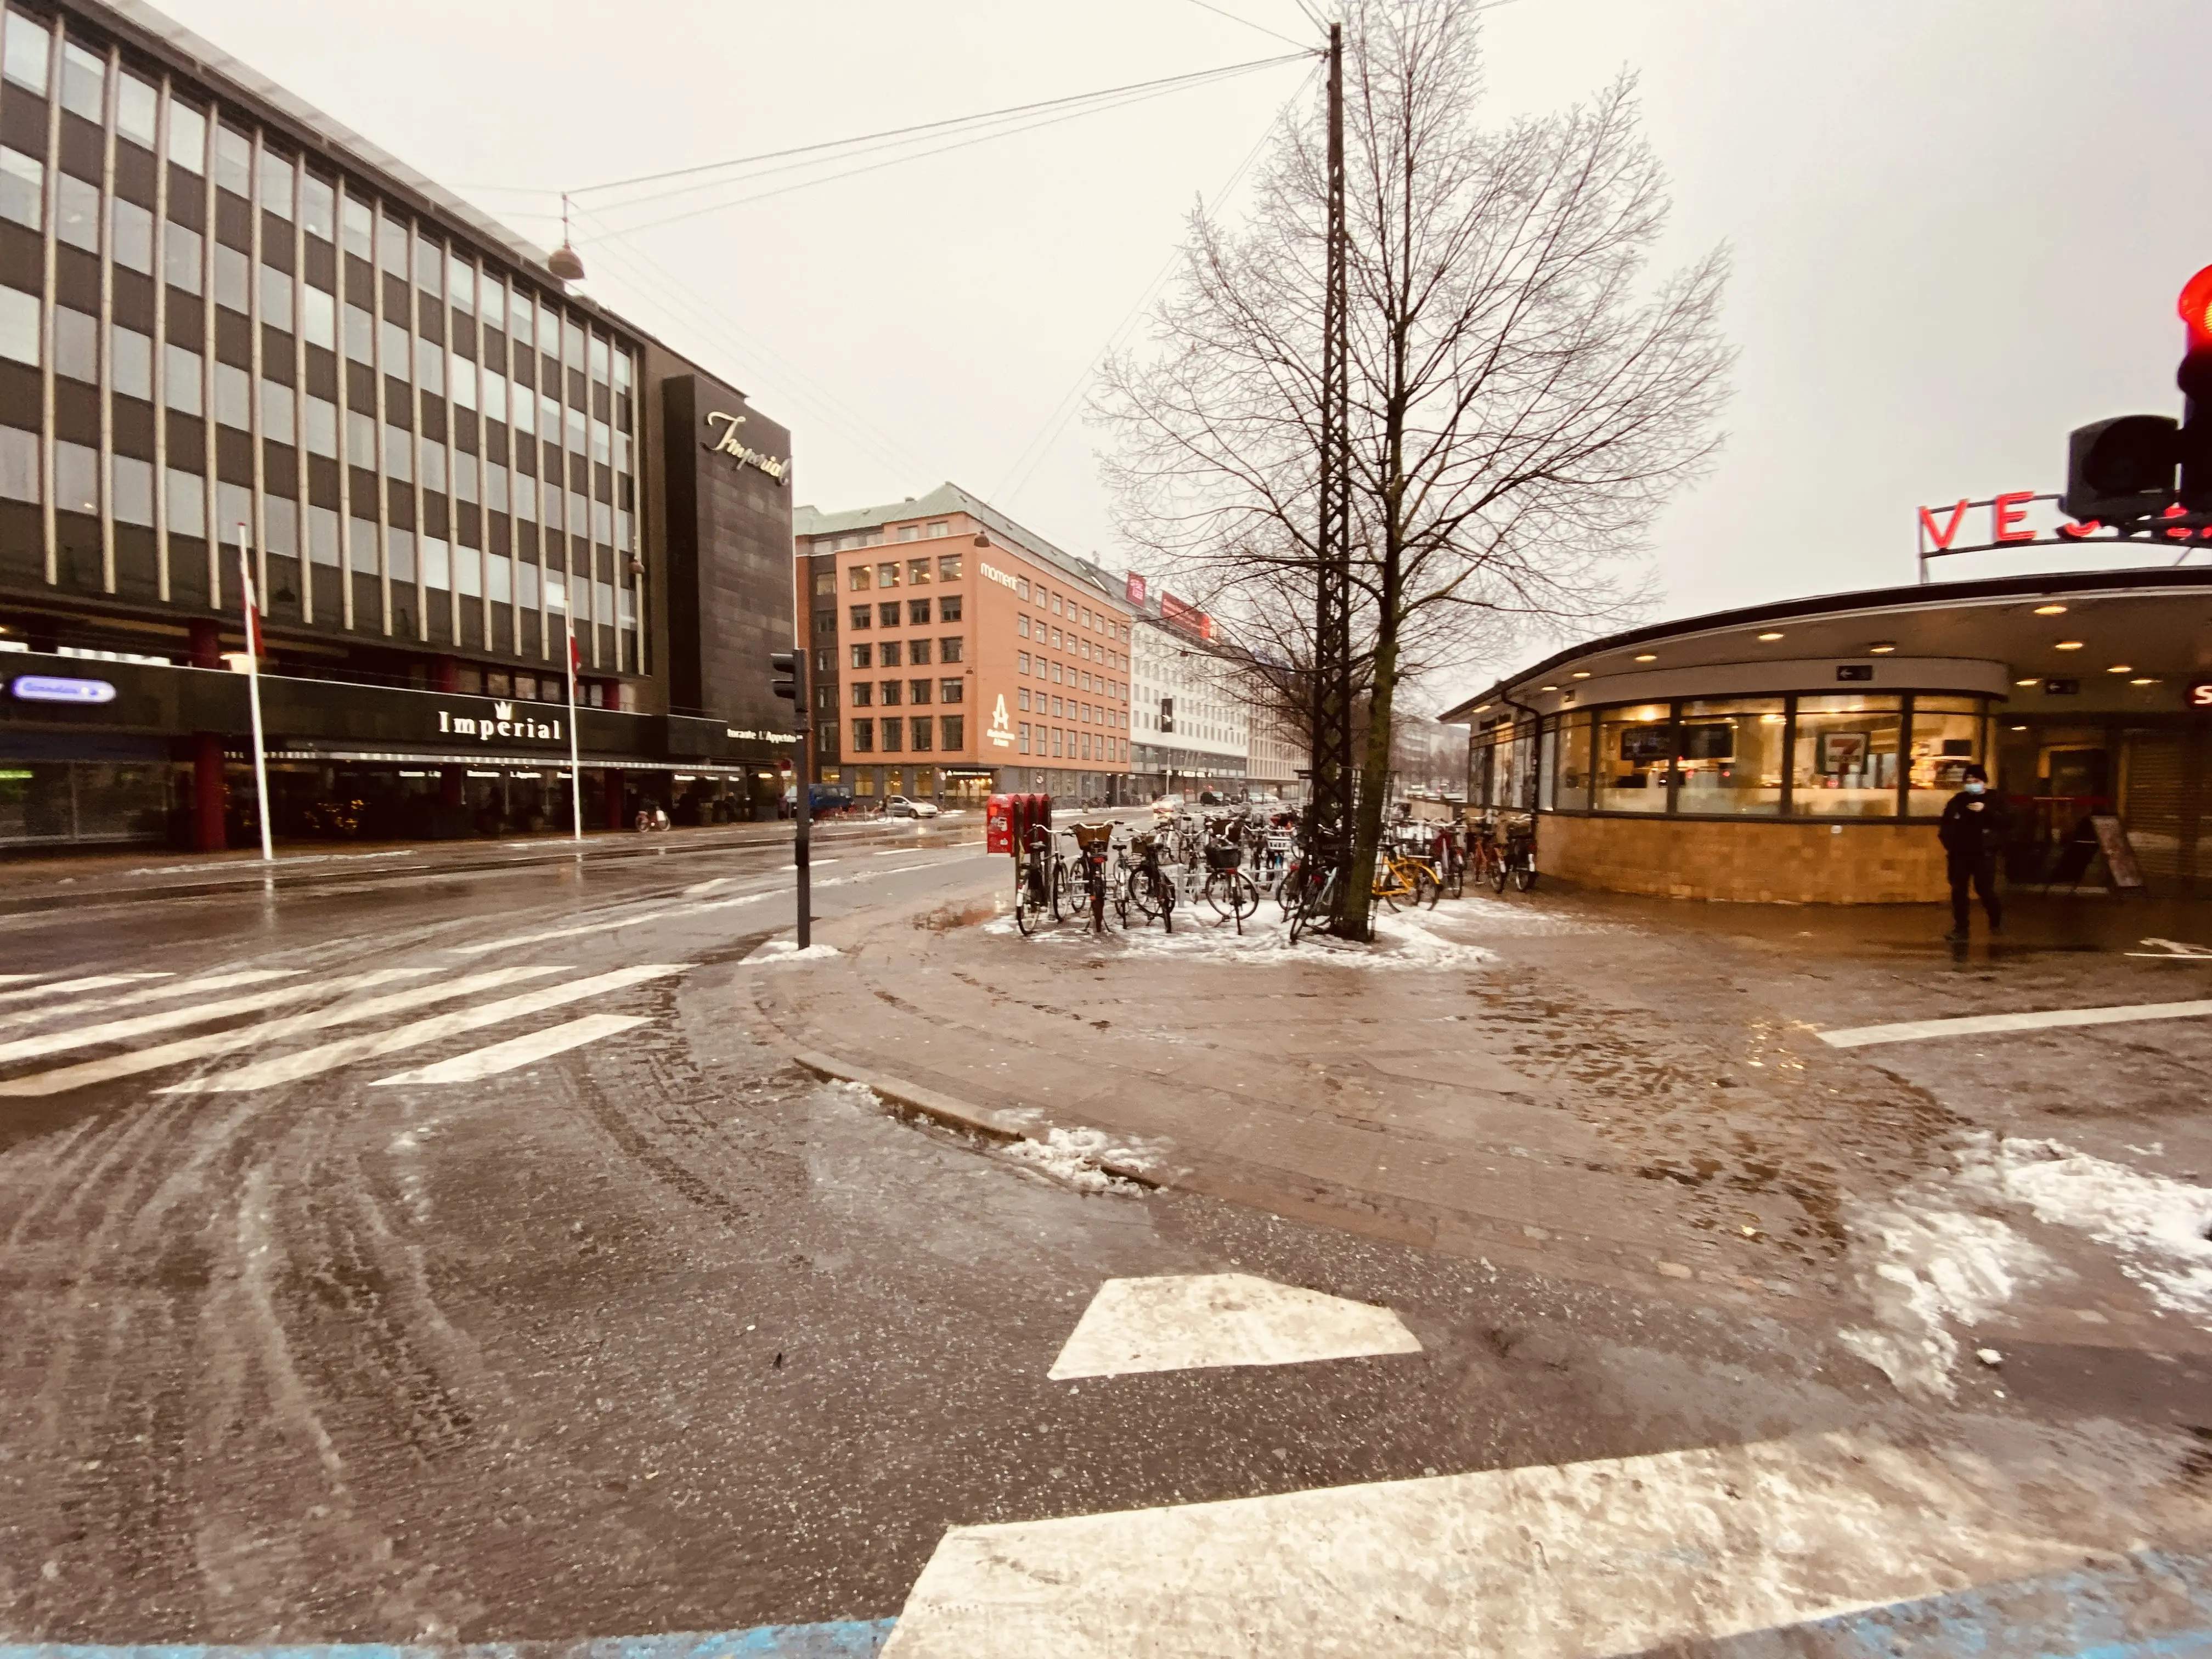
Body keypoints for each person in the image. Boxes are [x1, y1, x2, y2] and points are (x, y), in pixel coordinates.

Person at [1937, 763, 2008, 941]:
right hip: (1960, 853)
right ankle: (1961, 928)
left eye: (1975, 780)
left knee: (1984, 889)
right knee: (1959, 890)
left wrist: (1986, 811)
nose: (1971, 783)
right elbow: (1946, 824)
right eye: (1968, 780)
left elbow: (2007, 822)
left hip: (1984, 853)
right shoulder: (1958, 801)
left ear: (1983, 782)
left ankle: (1995, 917)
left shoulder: (1994, 800)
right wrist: (1950, 844)